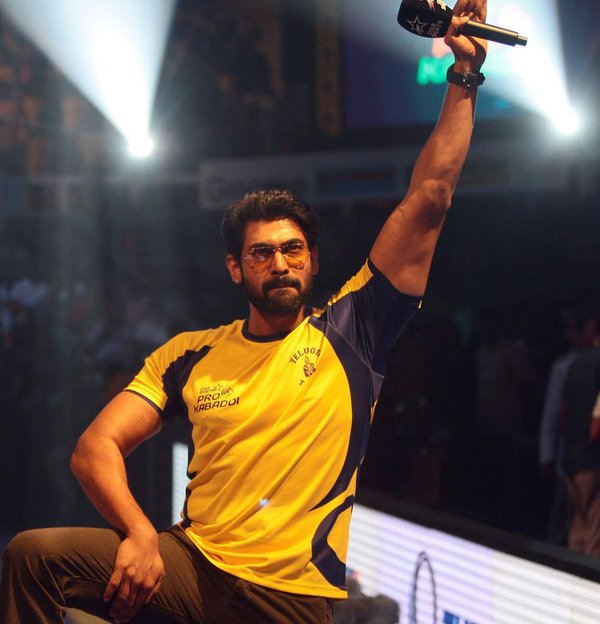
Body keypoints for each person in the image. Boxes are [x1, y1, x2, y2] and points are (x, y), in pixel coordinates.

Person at [0, 2, 488, 622]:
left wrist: (464, 77)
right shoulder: (189, 353)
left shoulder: (355, 331)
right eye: (261, 253)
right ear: (236, 267)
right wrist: (141, 533)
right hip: (190, 567)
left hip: (289, 596)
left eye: (293, 250)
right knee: (33, 555)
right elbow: (95, 446)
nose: (279, 263)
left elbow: (430, 198)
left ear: (312, 261)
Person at [561, 309, 600, 555]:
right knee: (594, 533)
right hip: (592, 459)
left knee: (577, 528)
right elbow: (596, 426)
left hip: (571, 457)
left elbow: (563, 412)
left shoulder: (576, 362)